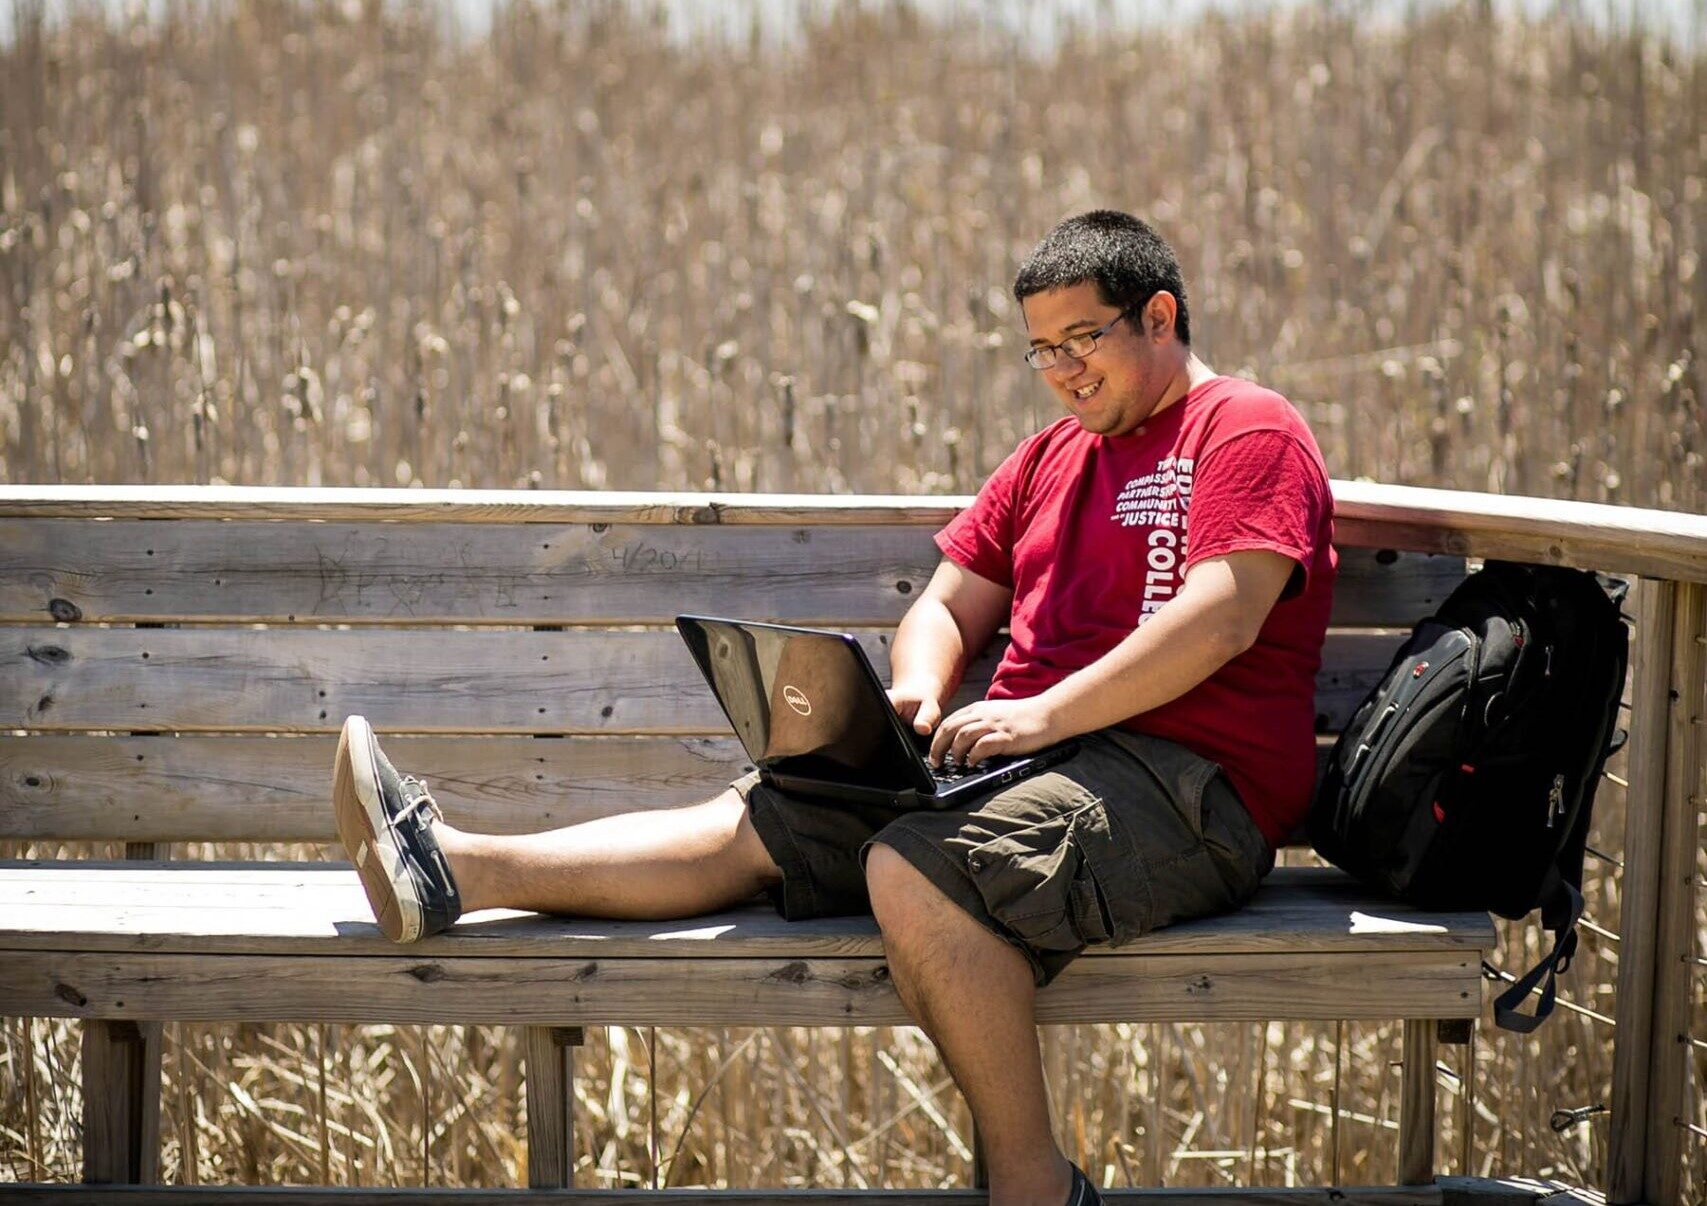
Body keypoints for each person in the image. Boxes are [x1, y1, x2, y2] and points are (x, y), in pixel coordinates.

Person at [331, 209, 1336, 1206]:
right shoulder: (1047, 460)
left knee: (913, 870)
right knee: (765, 817)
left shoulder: (1245, 427)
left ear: (1158, 316)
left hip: (1187, 787)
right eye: (1042, 352)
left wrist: (1043, 716)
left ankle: (1036, 1190)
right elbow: (948, 601)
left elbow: (1222, 617)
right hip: (1025, 767)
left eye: (1085, 341)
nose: (1066, 372)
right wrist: (917, 693)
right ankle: (449, 867)